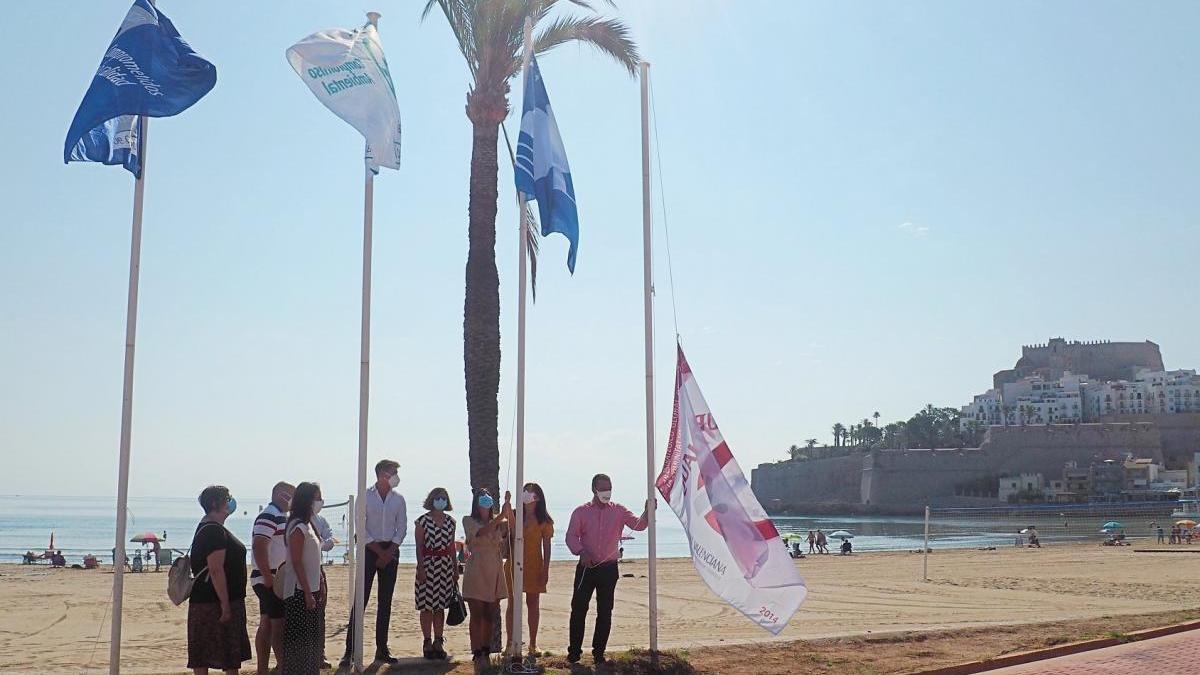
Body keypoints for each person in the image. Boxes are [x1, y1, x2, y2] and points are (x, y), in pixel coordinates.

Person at [565, 474, 652, 665]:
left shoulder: (619, 510)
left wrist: (648, 511)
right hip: (586, 569)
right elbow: (571, 536)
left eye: (609, 488)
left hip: (608, 569)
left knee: (605, 611)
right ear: (594, 489)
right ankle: (574, 653)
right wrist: (581, 552)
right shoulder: (581, 511)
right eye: (602, 488)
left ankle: (599, 653)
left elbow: (639, 525)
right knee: (578, 609)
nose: (606, 492)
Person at [342, 459, 407, 667]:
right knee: (360, 600)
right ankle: (349, 651)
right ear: (381, 474)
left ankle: (382, 648)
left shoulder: (399, 499)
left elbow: (402, 527)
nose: (396, 475)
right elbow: (360, 527)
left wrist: (390, 551)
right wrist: (378, 551)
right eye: (392, 472)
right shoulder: (366, 496)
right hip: (369, 550)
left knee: (385, 601)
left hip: (391, 550)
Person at [187, 485, 251, 675]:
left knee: (218, 655)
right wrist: (225, 605)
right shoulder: (213, 531)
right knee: (220, 656)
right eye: (227, 499)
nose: (230, 502)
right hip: (213, 603)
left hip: (210, 601)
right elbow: (216, 570)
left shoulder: (210, 528)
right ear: (216, 503)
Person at [505, 482, 554, 657]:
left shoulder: (544, 520)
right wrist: (508, 504)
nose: (527, 496)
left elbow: (547, 546)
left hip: (534, 566)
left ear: (538, 498)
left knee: (533, 604)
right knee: (512, 603)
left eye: (531, 494)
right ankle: (510, 643)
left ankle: (533, 644)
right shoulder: (517, 515)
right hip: (513, 564)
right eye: (525, 492)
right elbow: (510, 527)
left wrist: (546, 570)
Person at [462, 488, 510, 667]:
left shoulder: (499, 521)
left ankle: (485, 649)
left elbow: (510, 528)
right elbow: (480, 533)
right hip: (477, 568)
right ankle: (476, 651)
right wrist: (500, 517)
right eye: (482, 499)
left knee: (490, 614)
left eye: (488, 499)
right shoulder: (469, 521)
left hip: (495, 568)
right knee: (477, 613)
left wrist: (507, 507)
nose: (485, 503)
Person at [281, 482, 325, 675]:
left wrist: (319, 583)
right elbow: (297, 561)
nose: (319, 501)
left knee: (312, 642)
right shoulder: (297, 526)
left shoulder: (308, 525)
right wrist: (307, 591)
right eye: (316, 497)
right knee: (300, 643)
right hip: (299, 592)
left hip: (312, 589)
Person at [250, 481, 293, 675]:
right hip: (269, 577)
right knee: (278, 623)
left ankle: (263, 670)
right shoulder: (270, 514)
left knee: (267, 622)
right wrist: (268, 575)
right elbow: (259, 545)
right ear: (280, 495)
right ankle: (283, 668)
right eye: (290, 495)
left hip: (275, 576)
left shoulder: (280, 516)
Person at [414, 487, 457, 660]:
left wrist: (455, 568)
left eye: (444, 498)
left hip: (445, 566)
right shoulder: (422, 521)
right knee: (426, 606)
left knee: (440, 606)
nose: (441, 500)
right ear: (432, 499)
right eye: (438, 497)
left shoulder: (451, 522)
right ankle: (427, 641)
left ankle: (439, 641)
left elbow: (452, 546)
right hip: (428, 564)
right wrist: (421, 567)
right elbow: (419, 546)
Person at [312, 510, 336, 670]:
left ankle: (319, 655)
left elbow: (330, 540)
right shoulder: (293, 520)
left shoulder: (320, 519)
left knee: (320, 615)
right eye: (316, 498)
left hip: (317, 568)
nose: (319, 502)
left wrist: (322, 542)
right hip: (299, 570)